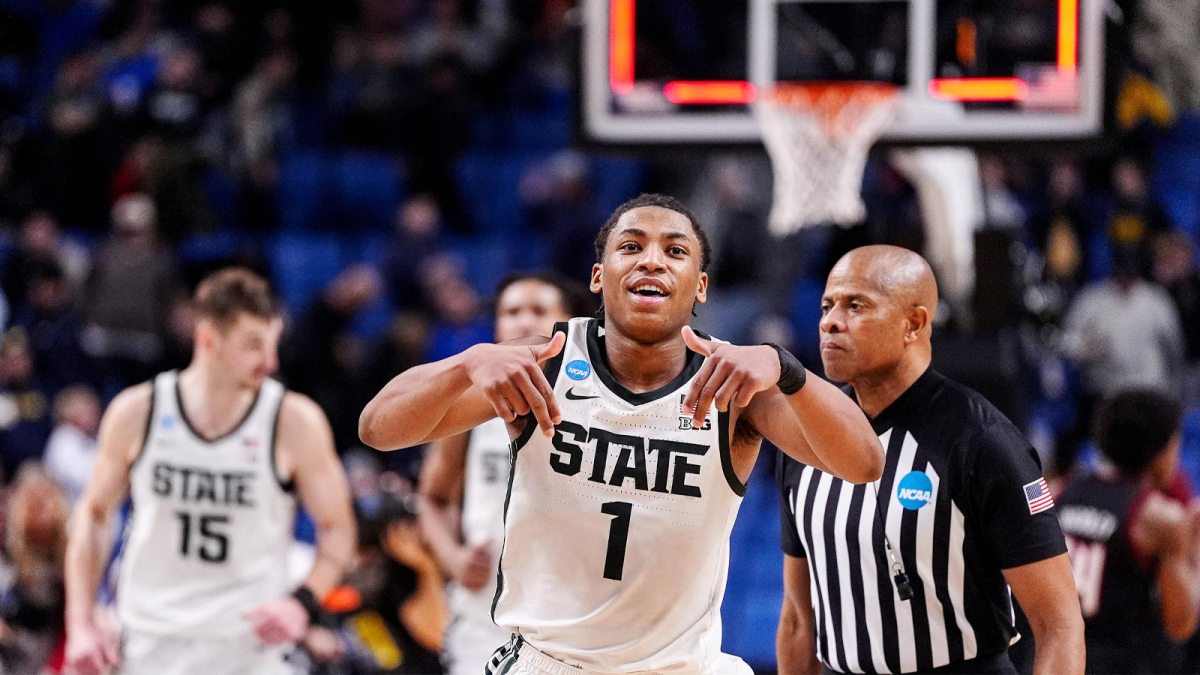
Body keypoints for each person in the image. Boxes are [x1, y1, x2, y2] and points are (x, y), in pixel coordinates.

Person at [360, 192, 884, 674]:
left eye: (675, 251)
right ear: (597, 276)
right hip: (550, 662)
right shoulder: (544, 365)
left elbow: (865, 463)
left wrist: (787, 368)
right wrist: (465, 363)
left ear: (701, 285)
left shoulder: (733, 383)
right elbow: (377, 428)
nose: (651, 260)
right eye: (630, 246)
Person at [777, 245, 1084, 675]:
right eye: (828, 305)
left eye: (856, 305)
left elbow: (1058, 624)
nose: (829, 321)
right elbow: (796, 619)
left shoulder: (982, 442)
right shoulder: (802, 437)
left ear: (914, 323)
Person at [63, 267, 357, 675]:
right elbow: (92, 516)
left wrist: (303, 602)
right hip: (151, 638)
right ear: (207, 340)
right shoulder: (138, 412)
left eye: (273, 344)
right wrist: (80, 623)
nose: (269, 361)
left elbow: (338, 529)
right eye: (253, 345)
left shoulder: (294, 421)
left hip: (249, 646)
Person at [418, 272, 591, 674]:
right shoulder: (470, 408)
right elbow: (432, 497)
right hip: (485, 613)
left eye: (538, 311)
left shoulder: (596, 406)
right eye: (511, 312)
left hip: (572, 617)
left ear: (569, 325)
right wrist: (453, 558)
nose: (523, 322)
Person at [1056, 387, 1200, 673]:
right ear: (1162, 449)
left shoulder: (1059, 491)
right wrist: (1194, 547)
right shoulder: (1161, 519)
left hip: (1064, 655)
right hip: (1126, 661)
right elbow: (1180, 624)